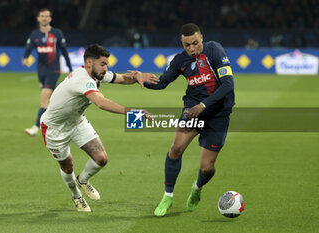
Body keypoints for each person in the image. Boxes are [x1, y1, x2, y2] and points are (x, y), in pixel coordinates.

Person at [40, 44, 158, 212]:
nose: (106, 68)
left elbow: (121, 78)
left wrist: (139, 76)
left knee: (101, 158)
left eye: (106, 64)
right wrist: (134, 113)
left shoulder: (97, 74)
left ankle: (83, 180)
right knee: (68, 167)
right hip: (54, 128)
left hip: (77, 121)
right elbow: (101, 103)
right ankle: (76, 196)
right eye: (103, 63)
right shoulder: (82, 79)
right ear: (89, 62)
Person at [143, 23, 235, 217]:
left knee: (207, 168)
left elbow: (228, 84)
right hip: (193, 110)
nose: (192, 49)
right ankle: (168, 196)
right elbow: (161, 84)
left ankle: (197, 188)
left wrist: (204, 104)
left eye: (195, 43)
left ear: (201, 37)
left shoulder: (214, 50)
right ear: (182, 43)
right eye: (187, 45)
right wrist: (139, 78)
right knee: (176, 148)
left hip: (218, 113)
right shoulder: (180, 61)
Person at [22, 8, 73, 136]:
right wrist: (25, 57)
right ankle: (64, 122)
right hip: (41, 70)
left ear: (50, 19)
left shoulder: (56, 33)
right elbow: (29, 48)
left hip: (53, 70)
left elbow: (64, 51)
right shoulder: (34, 34)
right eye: (42, 16)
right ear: (38, 18)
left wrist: (70, 68)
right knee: (49, 101)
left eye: (46, 16)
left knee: (44, 98)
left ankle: (35, 127)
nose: (44, 18)